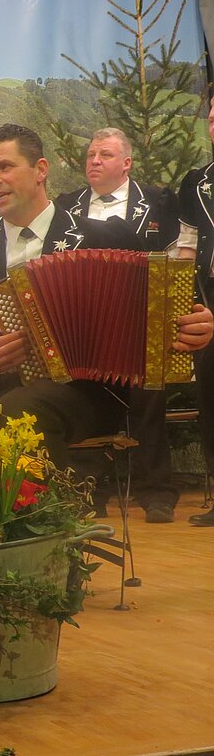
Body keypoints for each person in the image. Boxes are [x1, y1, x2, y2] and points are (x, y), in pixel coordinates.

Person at [0, 124, 213, 477]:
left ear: (40, 170)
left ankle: (56, 520)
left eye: (5, 167)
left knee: (20, 410)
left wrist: (197, 326)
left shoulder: (103, 236)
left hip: (92, 391)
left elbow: (169, 307)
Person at [54, 127, 181, 522]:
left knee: (148, 400)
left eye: (105, 155)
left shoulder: (158, 203)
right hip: (84, 322)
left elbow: (176, 261)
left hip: (142, 318)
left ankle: (156, 492)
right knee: (88, 399)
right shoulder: (66, 205)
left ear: (126, 163)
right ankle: (92, 491)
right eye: (91, 155)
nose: (94, 161)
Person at [178, 98, 214, 527]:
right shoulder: (196, 182)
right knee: (211, 397)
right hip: (209, 299)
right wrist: (188, 298)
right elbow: (186, 246)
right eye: (210, 119)